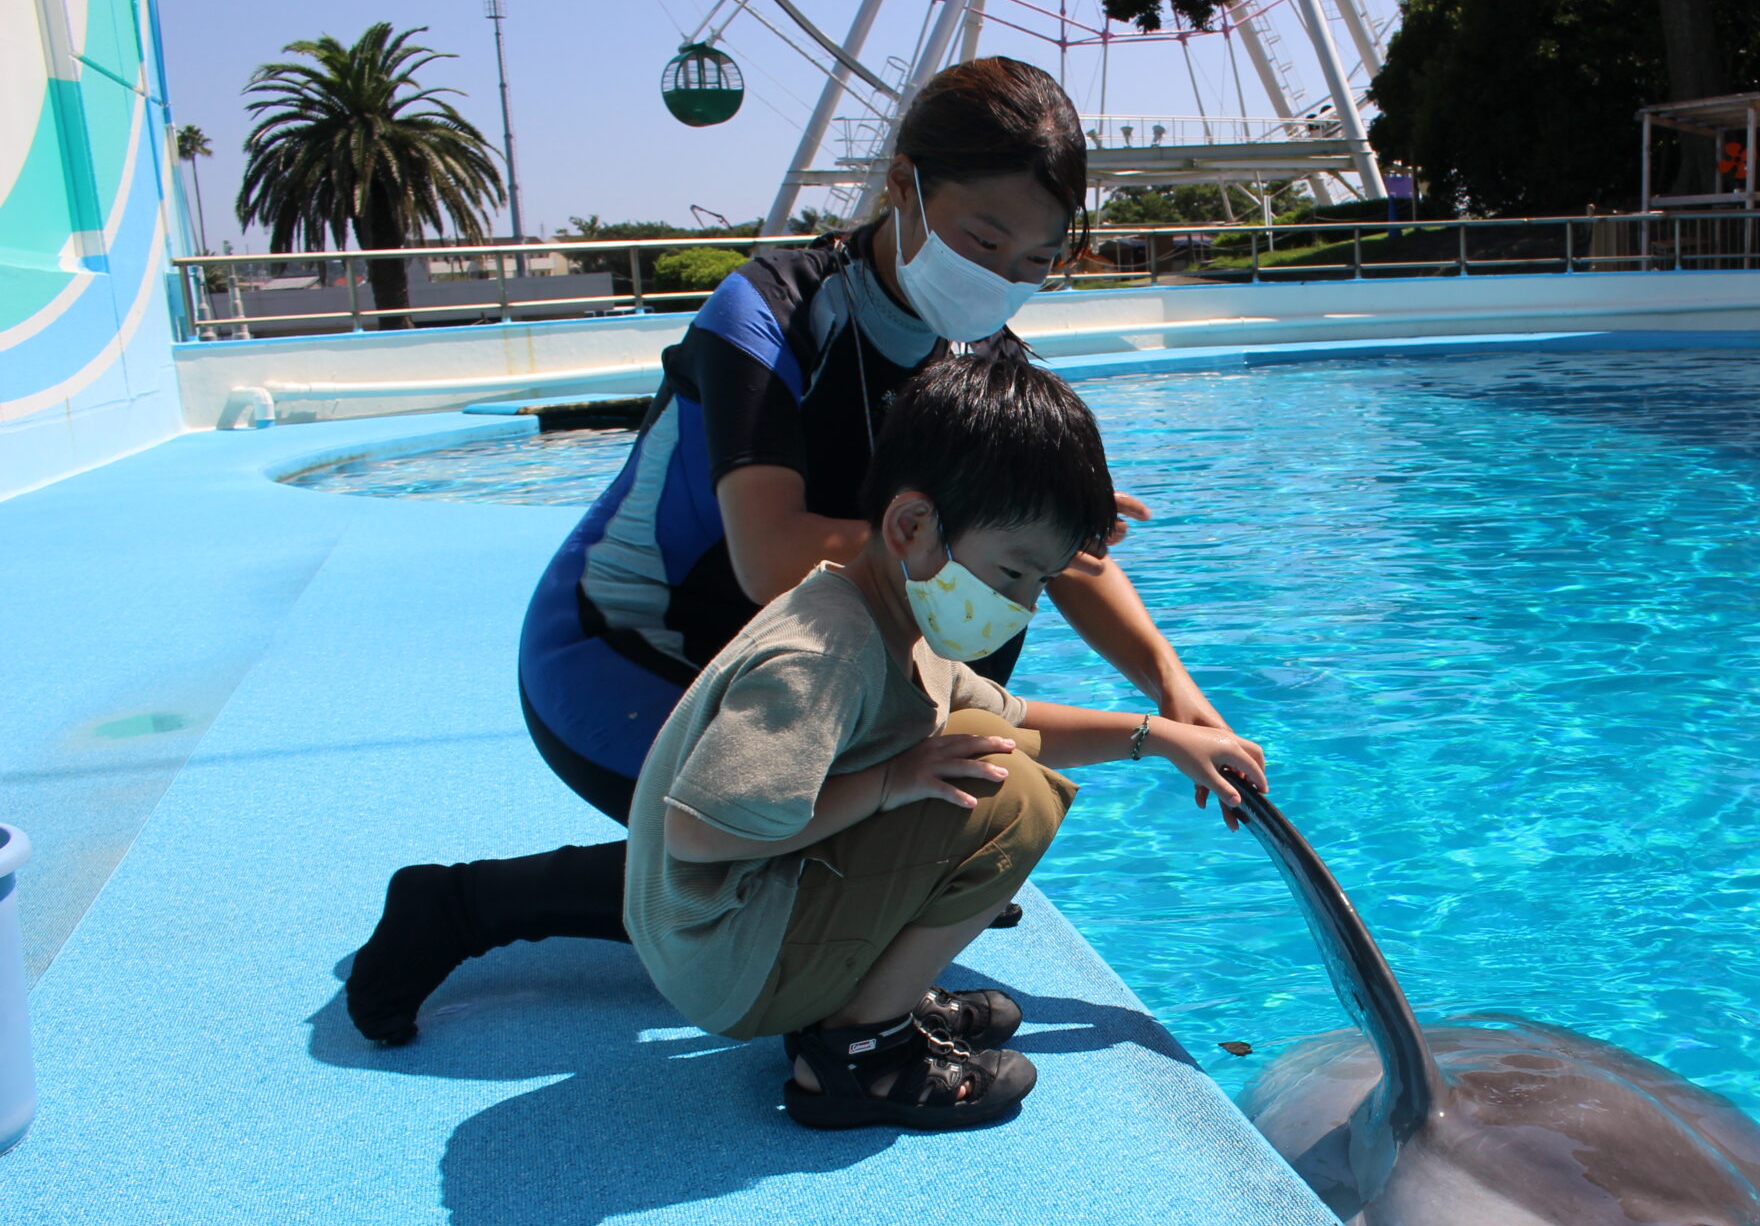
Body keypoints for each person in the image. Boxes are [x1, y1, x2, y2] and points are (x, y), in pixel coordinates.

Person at [347, 56, 1236, 1046]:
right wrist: (977, 538)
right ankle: (460, 905)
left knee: (951, 692)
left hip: (802, 672)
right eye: (984, 241)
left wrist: (1172, 690)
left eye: (1033, 263)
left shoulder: (981, 359)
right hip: (621, 655)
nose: (1001, 280)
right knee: (783, 821)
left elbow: (1049, 552)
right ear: (902, 186)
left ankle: (887, 876)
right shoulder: (769, 312)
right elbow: (769, 555)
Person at [630, 353, 1265, 1129]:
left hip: (744, 925)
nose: (1024, 606)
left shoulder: (892, 612)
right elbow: (696, 832)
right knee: (1012, 793)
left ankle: (868, 993)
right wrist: (889, 782)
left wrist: (1159, 735)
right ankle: (861, 1049)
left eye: (1041, 583)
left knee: (988, 738)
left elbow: (1020, 718)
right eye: (1013, 573)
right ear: (911, 525)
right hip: (725, 961)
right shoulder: (824, 652)